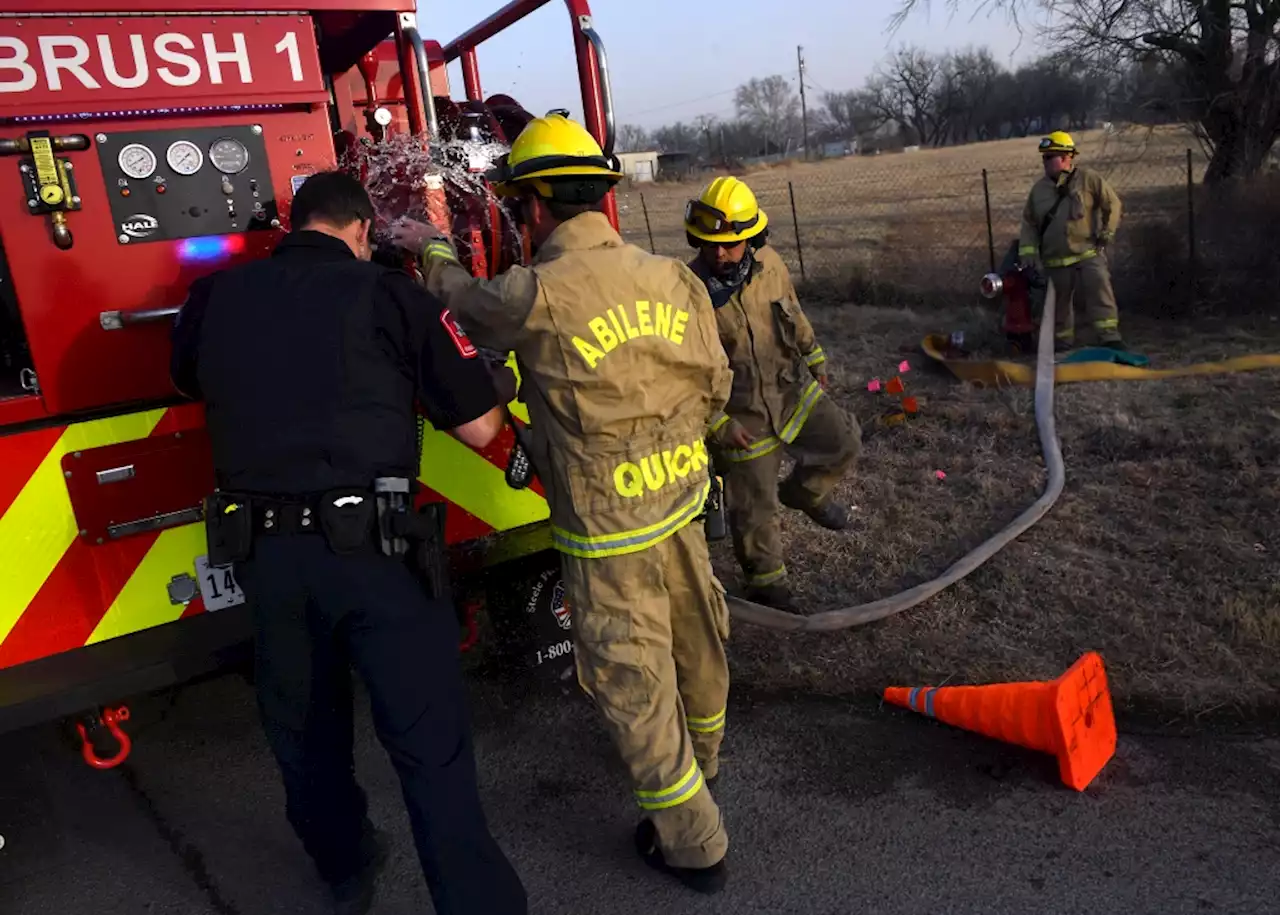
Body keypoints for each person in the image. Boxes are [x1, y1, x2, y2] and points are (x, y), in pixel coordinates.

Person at [391, 113, 735, 894]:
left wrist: (431, 246)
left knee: (633, 679)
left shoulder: (533, 293)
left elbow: (460, 301)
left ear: (534, 208)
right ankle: (706, 761)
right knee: (699, 641)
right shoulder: (672, 277)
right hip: (682, 507)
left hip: (608, 537)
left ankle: (694, 841)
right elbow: (716, 385)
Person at [169, 170, 527, 915]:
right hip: (377, 556)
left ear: (293, 226)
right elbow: (480, 427)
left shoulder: (216, 297)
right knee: (431, 747)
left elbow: (186, 380)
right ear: (362, 231)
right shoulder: (393, 297)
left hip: (267, 560)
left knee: (303, 733)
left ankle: (347, 866)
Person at [683, 176, 861, 611]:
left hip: (789, 390)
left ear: (752, 238)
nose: (717, 253)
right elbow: (686, 370)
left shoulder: (771, 264)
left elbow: (793, 310)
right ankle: (769, 588)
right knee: (754, 510)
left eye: (728, 244)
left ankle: (805, 493)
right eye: (708, 245)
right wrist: (718, 422)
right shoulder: (688, 292)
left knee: (843, 441)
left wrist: (813, 355)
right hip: (740, 415)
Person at [1018, 131, 1126, 351]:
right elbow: (1029, 223)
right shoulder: (1038, 191)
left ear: (1067, 157)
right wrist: (1027, 252)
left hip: (1088, 253)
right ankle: (1062, 343)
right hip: (1056, 260)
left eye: (1050, 156)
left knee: (1100, 293)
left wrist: (1107, 232)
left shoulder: (1088, 179)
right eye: (1044, 157)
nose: (1045, 162)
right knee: (1059, 306)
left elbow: (1112, 204)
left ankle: (1110, 338)